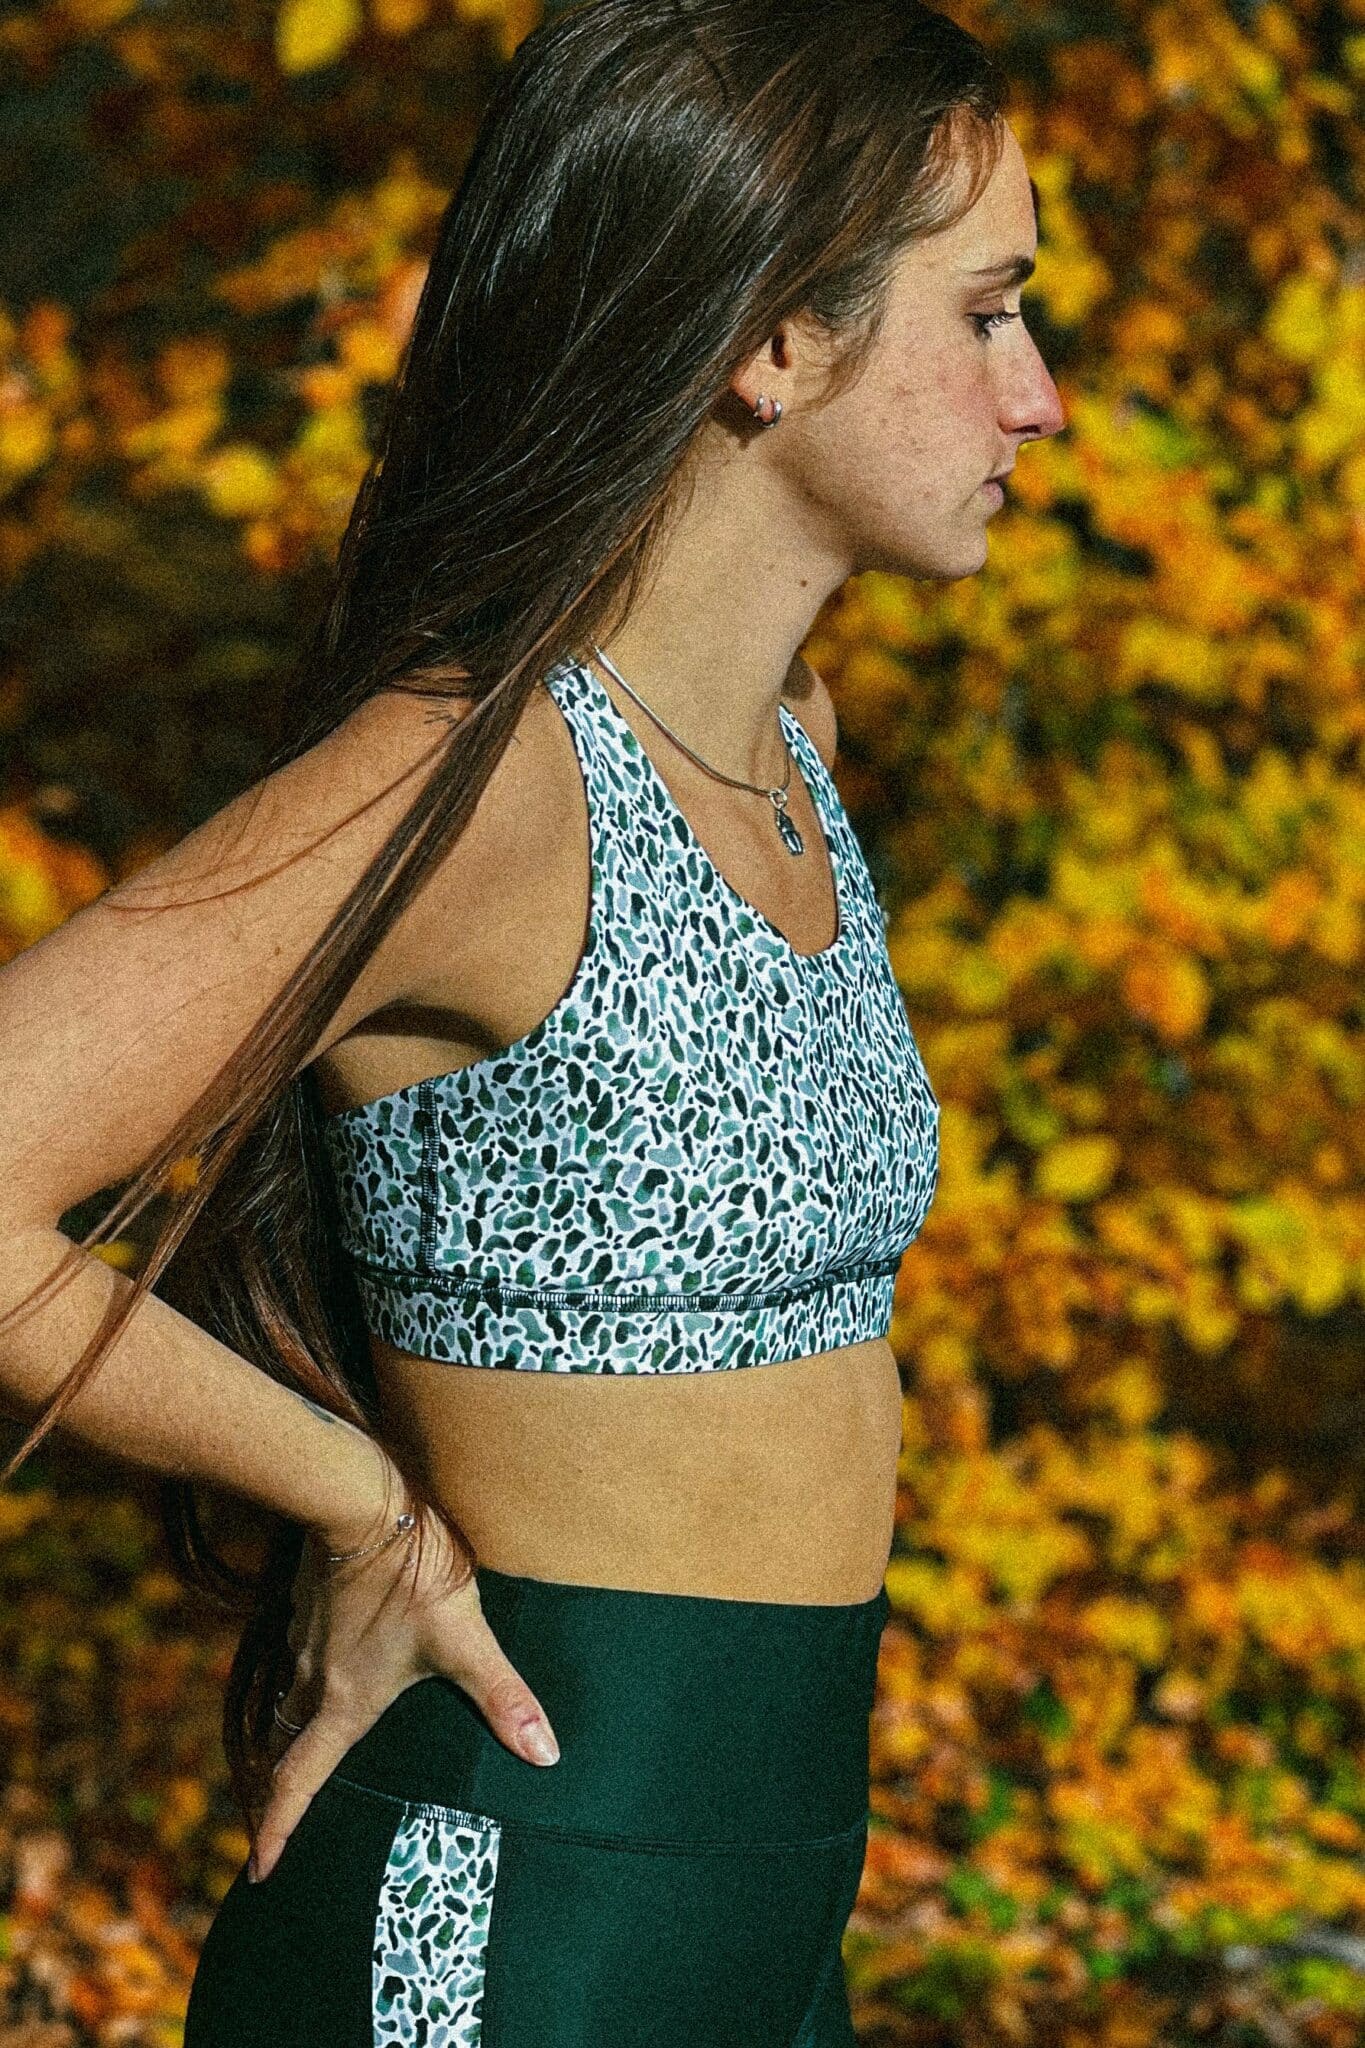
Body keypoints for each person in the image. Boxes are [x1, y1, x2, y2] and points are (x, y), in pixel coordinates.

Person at [0, 0, 1065, 2039]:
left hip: (768, 1922)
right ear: (773, 340)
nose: (1041, 396)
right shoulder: (476, 780)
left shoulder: (789, 748)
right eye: (988, 310)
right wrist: (351, 1501)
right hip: (511, 1920)